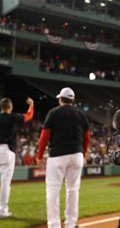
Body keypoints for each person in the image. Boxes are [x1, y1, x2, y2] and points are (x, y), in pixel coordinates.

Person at [36, 87, 91, 228]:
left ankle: (54, 225)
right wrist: (84, 153)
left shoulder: (54, 112)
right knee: (73, 190)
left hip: (57, 156)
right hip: (77, 155)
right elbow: (87, 137)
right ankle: (71, 224)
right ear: (72, 100)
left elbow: (44, 136)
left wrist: (39, 156)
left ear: (60, 99)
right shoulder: (81, 114)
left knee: (53, 190)